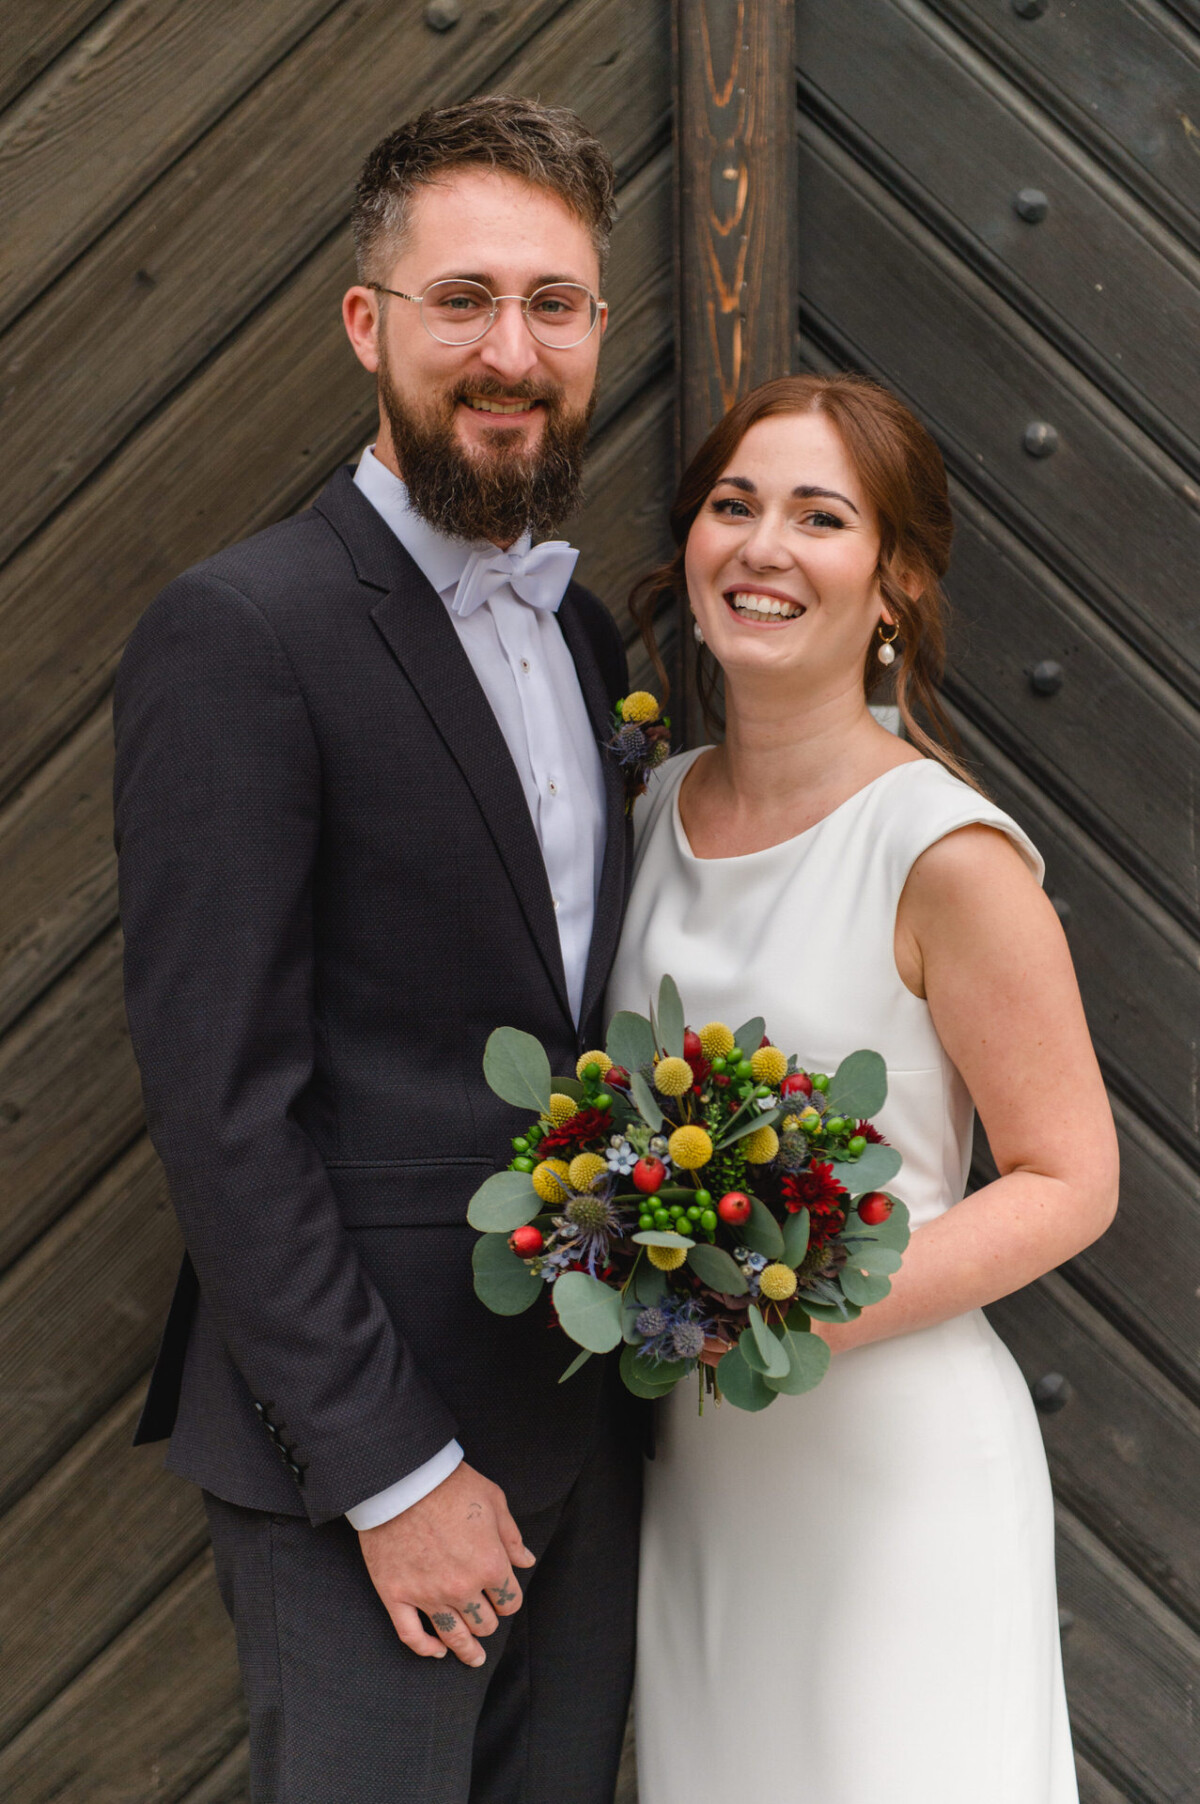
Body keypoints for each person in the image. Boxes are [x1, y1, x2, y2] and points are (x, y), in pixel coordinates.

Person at [114, 97, 641, 1804]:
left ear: (599, 326)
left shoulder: (585, 631)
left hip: (587, 1428)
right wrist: (393, 1473)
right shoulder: (242, 630)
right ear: (368, 322)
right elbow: (223, 1106)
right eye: (462, 300)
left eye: (553, 304)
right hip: (367, 1462)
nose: (512, 352)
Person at [607, 373, 1118, 1803]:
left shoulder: (945, 853)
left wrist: (784, 1314)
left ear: (896, 583)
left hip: (896, 1479)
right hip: (704, 1478)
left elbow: (1072, 1178)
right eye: (734, 505)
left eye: (820, 518)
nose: (763, 546)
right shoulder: (647, 813)